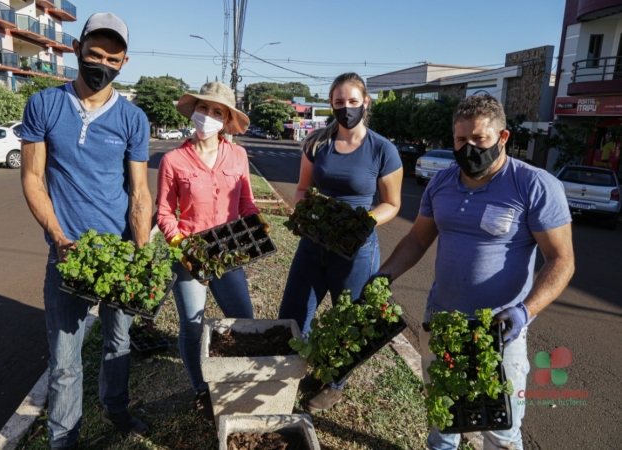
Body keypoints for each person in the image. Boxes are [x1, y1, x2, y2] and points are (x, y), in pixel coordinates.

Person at [366, 95, 575, 450]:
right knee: (443, 419)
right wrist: (384, 276)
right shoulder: (441, 182)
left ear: (503, 137)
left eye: (479, 139)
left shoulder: (534, 185)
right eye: (461, 140)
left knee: (501, 430)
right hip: (442, 321)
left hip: (499, 331)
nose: (469, 148)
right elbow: (417, 239)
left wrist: (525, 311)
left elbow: (561, 260)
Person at [20, 13, 152, 448]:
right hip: (67, 254)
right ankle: (64, 438)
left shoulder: (133, 119)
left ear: (124, 62)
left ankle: (116, 410)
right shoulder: (44, 104)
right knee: (64, 359)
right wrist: (58, 237)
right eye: (94, 54)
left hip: (116, 254)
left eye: (112, 58)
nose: (101, 63)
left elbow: (138, 193)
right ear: (77, 48)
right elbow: (33, 178)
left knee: (118, 343)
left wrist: (141, 252)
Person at [278, 72, 403, 412]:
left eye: (352, 101)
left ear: (365, 102)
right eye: (338, 102)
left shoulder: (383, 150)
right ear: (331, 105)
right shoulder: (317, 142)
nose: (345, 108)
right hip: (315, 241)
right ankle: (295, 369)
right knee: (292, 314)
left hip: (357, 249)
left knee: (349, 319)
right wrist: (308, 210)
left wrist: (362, 221)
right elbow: (303, 189)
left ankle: (335, 384)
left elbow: (392, 204)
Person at [155, 82, 260, 421]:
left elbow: (246, 202)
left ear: (228, 121)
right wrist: (182, 246)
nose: (208, 117)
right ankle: (201, 388)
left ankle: (237, 380)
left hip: (227, 251)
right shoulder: (173, 160)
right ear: (194, 111)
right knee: (192, 325)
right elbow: (164, 213)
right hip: (190, 253)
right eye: (204, 108)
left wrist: (255, 230)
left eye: (218, 112)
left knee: (244, 321)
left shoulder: (238, 155)